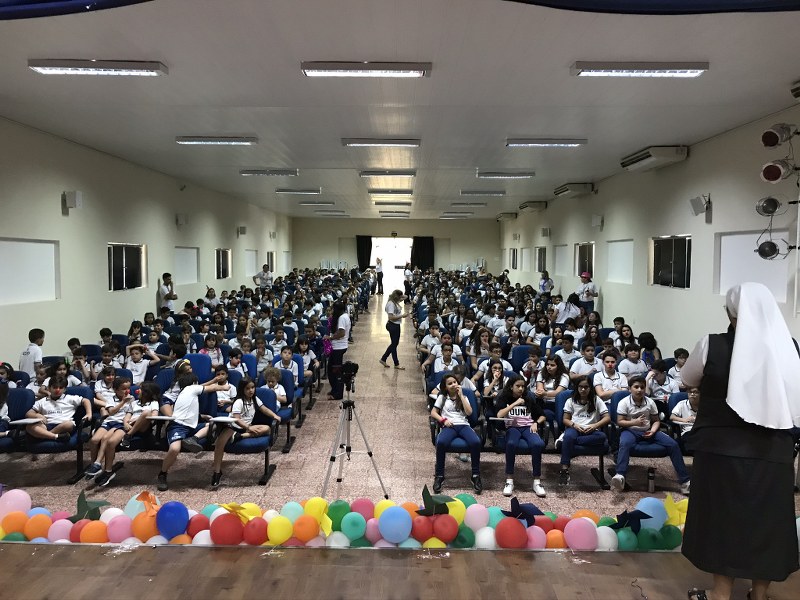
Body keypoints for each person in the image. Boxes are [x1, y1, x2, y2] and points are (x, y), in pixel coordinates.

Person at [682, 283, 800, 600]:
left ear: (731, 314)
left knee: (722, 519)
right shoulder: (788, 346)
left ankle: (721, 594)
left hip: (721, 449)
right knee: (768, 522)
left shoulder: (711, 345)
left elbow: (687, 378)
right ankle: (759, 594)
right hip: (774, 450)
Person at [610, 375, 690, 494]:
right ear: (630, 389)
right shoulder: (624, 402)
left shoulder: (650, 402)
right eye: (636, 387)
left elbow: (656, 420)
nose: (639, 390)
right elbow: (620, 422)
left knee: (673, 444)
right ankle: (620, 475)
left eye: (642, 387)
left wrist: (653, 430)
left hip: (648, 430)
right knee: (625, 443)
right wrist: (634, 422)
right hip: (631, 430)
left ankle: (685, 481)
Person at [157, 371, 227, 491]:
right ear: (194, 383)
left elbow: (188, 411)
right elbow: (213, 387)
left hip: (192, 427)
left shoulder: (186, 393)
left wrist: (202, 416)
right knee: (174, 449)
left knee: (214, 424)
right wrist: (225, 387)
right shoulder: (191, 388)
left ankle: (193, 439)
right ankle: (162, 474)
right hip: (178, 426)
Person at [211, 376, 281, 488]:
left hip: (245, 429)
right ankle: (217, 472)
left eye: (252, 388)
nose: (251, 390)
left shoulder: (255, 399)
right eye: (247, 388)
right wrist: (249, 427)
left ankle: (241, 436)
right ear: (242, 389)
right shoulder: (239, 401)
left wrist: (274, 415)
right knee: (220, 444)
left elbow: (264, 409)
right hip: (233, 427)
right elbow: (237, 419)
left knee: (267, 428)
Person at [494, 374, 547, 497]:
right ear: (511, 387)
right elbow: (499, 415)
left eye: (523, 386)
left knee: (537, 444)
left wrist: (536, 423)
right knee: (511, 444)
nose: (521, 389)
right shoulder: (504, 398)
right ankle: (509, 480)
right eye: (518, 386)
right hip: (513, 428)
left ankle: (537, 482)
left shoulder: (528, 398)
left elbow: (542, 415)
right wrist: (515, 403)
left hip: (528, 427)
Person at [431, 372, 482, 494]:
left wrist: (461, 396)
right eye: (450, 383)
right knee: (441, 443)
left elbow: (469, 413)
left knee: (475, 442)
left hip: (463, 425)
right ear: (445, 387)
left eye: (455, 382)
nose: (453, 384)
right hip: (449, 426)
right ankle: (439, 475)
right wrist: (443, 420)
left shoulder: (464, 396)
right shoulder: (442, 397)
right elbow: (433, 412)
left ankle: (475, 475)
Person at [558, 375, 610, 485]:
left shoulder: (596, 400)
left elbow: (607, 418)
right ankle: (564, 469)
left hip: (592, 430)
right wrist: (575, 425)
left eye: (586, 387)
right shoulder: (570, 400)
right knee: (569, 436)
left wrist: (595, 426)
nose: (583, 389)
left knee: (602, 437)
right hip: (575, 428)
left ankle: (567, 442)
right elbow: (565, 420)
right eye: (580, 387)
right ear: (577, 387)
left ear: (590, 388)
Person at [25, 374, 92, 443]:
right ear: (49, 388)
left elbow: (86, 400)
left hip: (64, 425)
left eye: (61, 388)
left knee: (68, 424)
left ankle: (45, 435)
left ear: (64, 389)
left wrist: (89, 413)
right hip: (47, 425)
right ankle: (55, 436)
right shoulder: (43, 401)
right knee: (29, 427)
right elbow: (28, 413)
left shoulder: (69, 398)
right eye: (55, 387)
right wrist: (37, 415)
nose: (57, 390)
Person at [325, 300, 351, 401]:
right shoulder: (344, 316)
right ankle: (334, 389)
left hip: (339, 347)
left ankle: (338, 393)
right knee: (331, 370)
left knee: (336, 371)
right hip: (338, 346)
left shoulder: (342, 318)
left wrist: (330, 337)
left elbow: (341, 333)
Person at [379, 290, 410, 369]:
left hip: (396, 325)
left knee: (394, 344)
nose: (401, 298)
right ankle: (396, 363)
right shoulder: (391, 304)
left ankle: (383, 359)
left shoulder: (395, 302)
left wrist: (400, 295)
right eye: (399, 297)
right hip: (393, 325)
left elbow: (406, 296)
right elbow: (391, 317)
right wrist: (402, 316)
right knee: (394, 344)